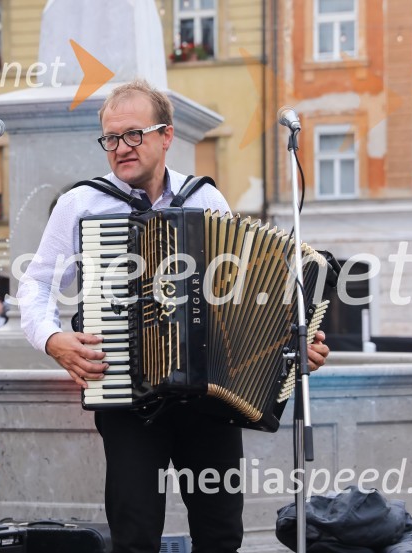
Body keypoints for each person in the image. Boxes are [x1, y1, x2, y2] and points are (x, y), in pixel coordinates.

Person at [17, 79, 330, 553]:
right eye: (111, 138)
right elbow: (37, 283)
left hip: (208, 402)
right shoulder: (81, 204)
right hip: (127, 401)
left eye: (133, 135)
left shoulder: (206, 200)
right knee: (135, 533)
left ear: (166, 136)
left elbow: (243, 304)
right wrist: (52, 339)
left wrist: (291, 347)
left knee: (221, 533)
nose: (121, 148)